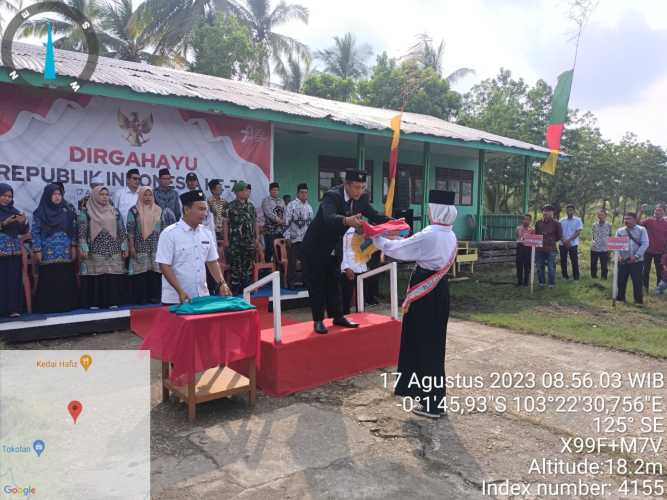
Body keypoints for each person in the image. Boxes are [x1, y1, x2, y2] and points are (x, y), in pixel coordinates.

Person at [372, 190, 458, 419]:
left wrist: (375, 237)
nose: (429, 211)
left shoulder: (431, 234)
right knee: (434, 346)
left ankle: (431, 403)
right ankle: (431, 397)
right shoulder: (450, 234)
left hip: (425, 294)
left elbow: (400, 250)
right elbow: (411, 245)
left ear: (436, 209)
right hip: (440, 291)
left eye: (430, 207)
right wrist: (392, 240)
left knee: (422, 344)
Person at [302, 169, 389, 334]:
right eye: (356, 187)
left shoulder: (362, 198)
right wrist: (346, 220)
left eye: (363, 187)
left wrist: (393, 222)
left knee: (335, 283)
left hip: (335, 247)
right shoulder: (332, 196)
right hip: (315, 247)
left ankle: (338, 316)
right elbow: (328, 217)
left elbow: (374, 215)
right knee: (318, 284)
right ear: (346, 185)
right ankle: (318, 320)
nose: (360, 191)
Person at [156, 190, 231, 304]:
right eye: (200, 209)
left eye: (205, 209)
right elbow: (164, 265)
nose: (205, 214)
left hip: (202, 297)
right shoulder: (169, 233)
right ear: (186, 210)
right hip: (177, 299)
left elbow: (212, 262)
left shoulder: (206, 233)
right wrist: (179, 291)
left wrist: (222, 283)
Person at [78, 186, 129, 309]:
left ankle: (112, 301)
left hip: (113, 249)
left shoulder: (114, 211)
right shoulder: (86, 212)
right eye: (101, 194)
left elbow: (121, 229)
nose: (105, 197)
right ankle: (95, 302)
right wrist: (83, 246)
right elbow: (82, 231)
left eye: (106, 194)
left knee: (112, 275)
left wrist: (124, 246)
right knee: (96, 276)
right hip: (95, 249)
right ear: (95, 195)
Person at [32, 183, 79, 313]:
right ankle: (48, 306)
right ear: (48, 195)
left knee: (65, 277)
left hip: (65, 250)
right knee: (49, 278)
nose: (57, 197)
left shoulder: (67, 211)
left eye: (59, 194)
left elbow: (73, 229)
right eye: (54, 194)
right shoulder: (40, 212)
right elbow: (35, 232)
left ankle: (67, 305)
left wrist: (74, 246)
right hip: (47, 251)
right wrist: (37, 249)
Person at [127, 186, 176, 304]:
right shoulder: (134, 210)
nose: (148, 197)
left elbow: (164, 230)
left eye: (150, 195)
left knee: (156, 273)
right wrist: (131, 246)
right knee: (141, 273)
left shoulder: (159, 210)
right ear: (140, 196)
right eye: (145, 195)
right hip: (140, 247)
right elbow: (130, 230)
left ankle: (155, 297)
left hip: (156, 247)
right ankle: (141, 298)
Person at [0, 184, 29, 317]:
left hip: (14, 251)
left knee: (13, 278)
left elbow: (23, 231)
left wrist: (23, 222)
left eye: (9, 196)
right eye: (4, 195)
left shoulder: (14, 211)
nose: (7, 198)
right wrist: (3, 223)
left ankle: (13, 309)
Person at [226, 181, 258, 295]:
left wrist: (256, 239)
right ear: (238, 192)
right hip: (235, 242)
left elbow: (254, 223)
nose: (247, 193)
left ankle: (247, 289)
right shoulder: (230, 206)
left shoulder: (251, 206)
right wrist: (226, 241)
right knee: (235, 267)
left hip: (249, 242)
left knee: (248, 266)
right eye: (244, 190)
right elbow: (226, 224)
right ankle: (235, 290)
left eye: (247, 191)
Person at [283, 183, 313, 288]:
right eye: (302, 192)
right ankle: (291, 282)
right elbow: (286, 222)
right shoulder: (291, 205)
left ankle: (305, 281)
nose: (304, 194)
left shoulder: (309, 207)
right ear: (298, 193)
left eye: (306, 192)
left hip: (305, 239)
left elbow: (310, 225)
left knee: (306, 262)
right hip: (294, 238)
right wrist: (287, 237)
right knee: (292, 262)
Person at [616, 212, 649, 305]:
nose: (626, 220)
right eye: (625, 219)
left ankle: (638, 301)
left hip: (637, 261)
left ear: (635, 220)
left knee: (637, 281)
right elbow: (616, 245)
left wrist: (636, 256)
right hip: (623, 260)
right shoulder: (620, 231)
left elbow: (645, 243)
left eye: (629, 219)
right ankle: (620, 298)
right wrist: (618, 256)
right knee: (621, 280)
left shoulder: (642, 230)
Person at [639, 204, 667, 290]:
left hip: (660, 251)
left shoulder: (666, 223)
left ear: (663, 212)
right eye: (656, 210)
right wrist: (641, 211)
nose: (657, 212)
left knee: (659, 271)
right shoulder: (649, 221)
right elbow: (637, 223)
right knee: (645, 270)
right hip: (648, 250)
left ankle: (658, 289)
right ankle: (644, 288)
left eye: (660, 210)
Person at [340, 227, 368, 315]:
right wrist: (346, 267)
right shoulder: (345, 230)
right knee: (346, 297)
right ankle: (345, 318)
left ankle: (361, 316)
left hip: (362, 267)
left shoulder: (364, 229)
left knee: (362, 296)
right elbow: (342, 250)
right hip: (349, 267)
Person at [534, 205, 562, 288]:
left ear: (552, 213)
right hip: (539, 248)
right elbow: (536, 234)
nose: (545, 212)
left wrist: (551, 241)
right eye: (544, 211)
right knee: (539, 266)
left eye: (548, 211)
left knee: (551, 267)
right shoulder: (538, 223)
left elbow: (559, 236)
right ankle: (541, 282)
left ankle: (551, 283)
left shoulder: (557, 223)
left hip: (551, 249)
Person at [261, 182, 286, 263]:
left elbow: (285, 212)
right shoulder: (266, 201)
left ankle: (280, 270)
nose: (275, 192)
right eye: (274, 190)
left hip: (281, 231)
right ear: (269, 191)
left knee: (280, 253)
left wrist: (284, 220)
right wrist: (279, 220)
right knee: (270, 251)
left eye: (277, 190)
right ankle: (267, 271)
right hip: (270, 231)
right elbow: (269, 213)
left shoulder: (281, 201)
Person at [558, 204, 583, 281]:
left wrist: (568, 241)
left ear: (574, 211)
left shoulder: (578, 220)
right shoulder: (561, 220)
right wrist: (564, 241)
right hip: (562, 244)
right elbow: (559, 232)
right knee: (563, 261)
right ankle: (565, 276)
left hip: (573, 244)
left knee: (574, 261)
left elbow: (578, 232)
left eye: (571, 210)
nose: (570, 211)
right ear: (566, 211)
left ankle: (576, 277)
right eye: (568, 210)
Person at [591, 208, 612, 280]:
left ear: (605, 216)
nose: (600, 216)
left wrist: (609, 247)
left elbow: (610, 236)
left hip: (604, 248)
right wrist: (593, 242)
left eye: (602, 215)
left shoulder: (609, 225)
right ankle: (593, 276)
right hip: (595, 247)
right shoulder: (594, 225)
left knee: (604, 264)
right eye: (599, 215)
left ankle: (604, 277)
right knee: (593, 263)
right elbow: (593, 235)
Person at [515, 214, 534, 287]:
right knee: (519, 265)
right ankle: (519, 281)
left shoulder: (532, 229)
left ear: (530, 221)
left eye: (528, 219)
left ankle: (526, 282)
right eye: (524, 219)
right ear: (522, 220)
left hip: (528, 249)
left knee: (527, 266)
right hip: (520, 248)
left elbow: (533, 239)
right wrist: (520, 241)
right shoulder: (518, 228)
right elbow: (516, 237)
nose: (526, 221)